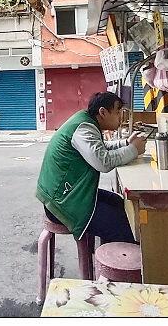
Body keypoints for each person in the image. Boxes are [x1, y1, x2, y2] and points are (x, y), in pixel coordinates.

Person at [36, 92, 147, 244]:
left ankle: (108, 246)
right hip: (62, 203)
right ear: (103, 112)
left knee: (119, 203)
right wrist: (133, 150)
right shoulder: (84, 129)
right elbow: (103, 162)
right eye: (117, 112)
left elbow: (100, 149)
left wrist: (126, 143)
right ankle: (116, 259)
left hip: (73, 193)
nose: (121, 117)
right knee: (130, 228)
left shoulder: (87, 122)